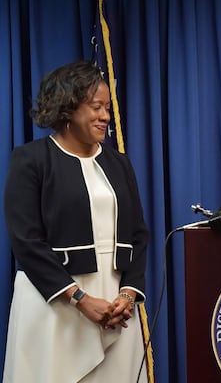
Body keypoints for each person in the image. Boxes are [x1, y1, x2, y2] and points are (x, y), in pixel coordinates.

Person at [3, 60, 150, 382]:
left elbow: (139, 235)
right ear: (67, 108)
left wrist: (126, 296)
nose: (105, 117)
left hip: (115, 305)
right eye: (96, 107)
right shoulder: (31, 160)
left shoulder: (118, 163)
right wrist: (80, 299)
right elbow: (25, 241)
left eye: (107, 108)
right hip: (55, 302)